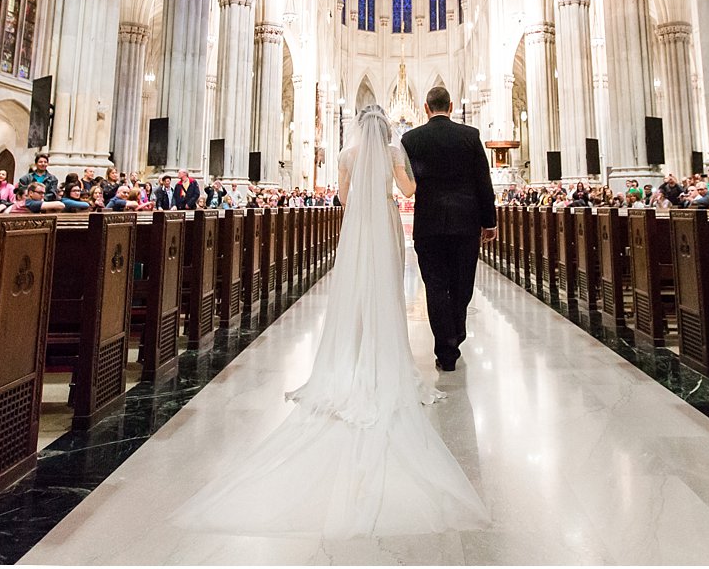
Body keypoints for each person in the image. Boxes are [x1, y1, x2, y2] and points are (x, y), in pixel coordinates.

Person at [174, 102, 489, 537]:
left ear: (358, 126)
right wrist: (404, 178)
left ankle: (352, 353)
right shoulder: (396, 151)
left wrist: (360, 190)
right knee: (386, 289)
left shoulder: (345, 155)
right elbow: (409, 191)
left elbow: (342, 198)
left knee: (356, 287)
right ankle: (395, 352)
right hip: (384, 223)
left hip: (357, 227)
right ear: (384, 127)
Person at [401, 87, 497, 373]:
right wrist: (489, 221)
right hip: (465, 222)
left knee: (435, 285)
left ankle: (446, 348)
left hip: (429, 224)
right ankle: (456, 334)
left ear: (425, 108)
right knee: (461, 283)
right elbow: (484, 181)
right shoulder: (470, 136)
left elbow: (407, 182)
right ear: (451, 106)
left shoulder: (411, 139)